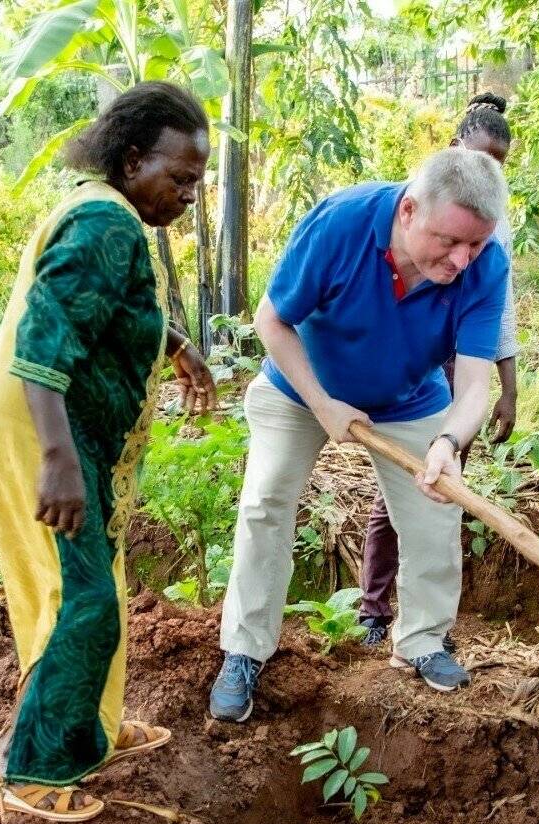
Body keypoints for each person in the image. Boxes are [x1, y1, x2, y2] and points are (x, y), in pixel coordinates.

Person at [0, 82, 218, 822]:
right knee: (79, 595)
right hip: (35, 425)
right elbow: (47, 335)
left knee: (97, 578)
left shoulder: (108, 214)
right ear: (133, 159)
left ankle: (91, 732)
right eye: (181, 177)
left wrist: (174, 342)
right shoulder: (106, 222)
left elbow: (107, 306)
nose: (189, 195)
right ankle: (34, 767)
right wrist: (58, 457)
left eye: (197, 181)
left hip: (53, 424)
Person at [210, 148, 511, 720]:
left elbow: (474, 382)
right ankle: (245, 650)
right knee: (267, 500)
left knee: (435, 510)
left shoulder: (486, 264)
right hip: (301, 387)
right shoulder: (342, 223)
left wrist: (447, 444)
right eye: (450, 241)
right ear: (408, 210)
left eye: (476, 244)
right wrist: (323, 403)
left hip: (411, 398)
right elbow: (270, 320)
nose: (463, 259)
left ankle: (422, 640)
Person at [357, 93, 522, 649]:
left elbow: (503, 307)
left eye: (499, 161)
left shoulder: (496, 223)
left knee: (441, 482)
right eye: (481, 155)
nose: (488, 170)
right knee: (398, 490)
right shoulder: (415, 202)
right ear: (455, 147)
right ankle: (374, 608)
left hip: (464, 359)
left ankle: (428, 625)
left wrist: (508, 387)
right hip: (414, 363)